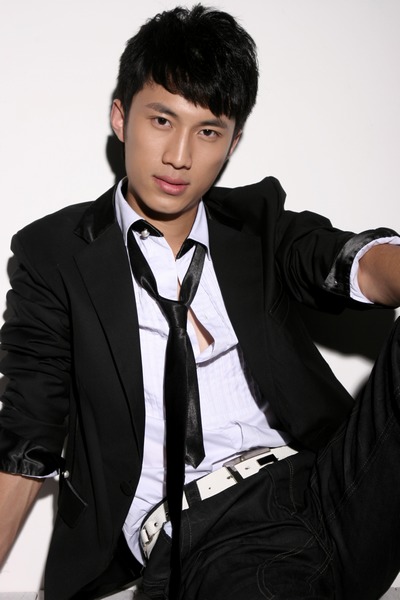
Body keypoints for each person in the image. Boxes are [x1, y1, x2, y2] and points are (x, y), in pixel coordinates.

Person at [1, 4, 400, 599]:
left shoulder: (257, 223)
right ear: (121, 117)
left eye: (208, 131)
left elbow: (348, 260)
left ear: (233, 141)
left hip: (333, 486)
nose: (180, 156)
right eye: (162, 120)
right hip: (208, 534)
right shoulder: (56, 255)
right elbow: (27, 434)